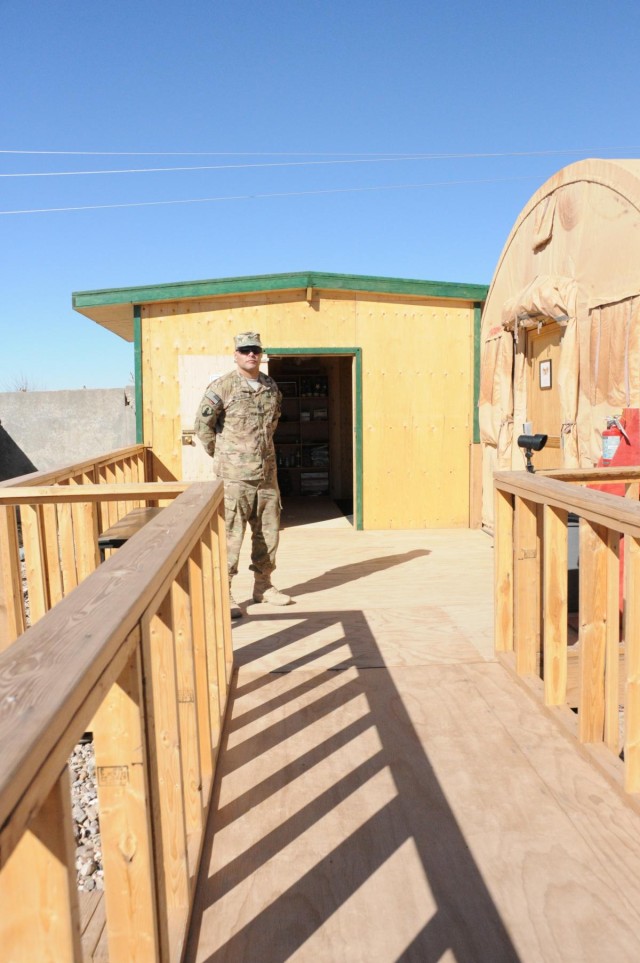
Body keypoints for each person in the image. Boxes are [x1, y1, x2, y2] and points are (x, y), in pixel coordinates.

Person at [194, 331, 291, 619]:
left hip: (266, 476)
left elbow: (273, 422)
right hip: (235, 478)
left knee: (268, 534)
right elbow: (203, 428)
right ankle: (225, 592)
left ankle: (264, 586)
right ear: (235, 354)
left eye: (256, 350)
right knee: (231, 537)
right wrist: (225, 457)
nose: (251, 354)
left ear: (261, 353)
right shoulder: (222, 387)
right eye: (245, 350)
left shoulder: (270, 386)